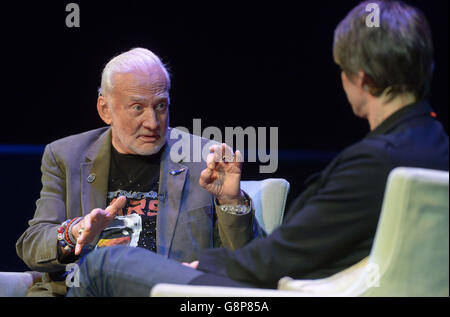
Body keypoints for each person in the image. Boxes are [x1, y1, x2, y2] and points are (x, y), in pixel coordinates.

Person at [68, 0, 449, 296]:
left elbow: (283, 256)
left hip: (277, 292)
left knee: (105, 262)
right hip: (315, 284)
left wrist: (202, 266)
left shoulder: (376, 161)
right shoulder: (436, 148)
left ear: (360, 79)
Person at [16, 48, 258, 296]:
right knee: (99, 266)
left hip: (164, 293)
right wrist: (74, 232)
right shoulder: (66, 156)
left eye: (161, 106)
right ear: (105, 109)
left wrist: (231, 201)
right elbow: (33, 246)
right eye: (137, 108)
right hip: (84, 290)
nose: (153, 122)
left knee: (108, 263)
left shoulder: (203, 159)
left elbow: (248, 264)